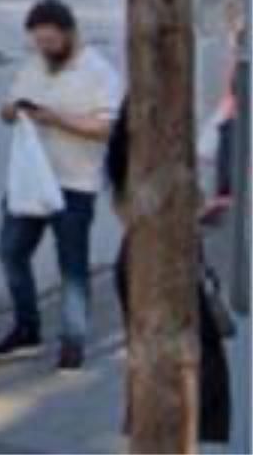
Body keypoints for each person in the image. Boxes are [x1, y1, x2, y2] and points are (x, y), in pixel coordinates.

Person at [0, 0, 121, 371]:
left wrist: (54, 118)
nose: (44, 49)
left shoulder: (100, 72)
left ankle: (73, 342)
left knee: (72, 266)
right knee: (11, 252)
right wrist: (12, 111)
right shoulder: (33, 66)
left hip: (75, 185)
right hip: (30, 182)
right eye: (38, 42)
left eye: (50, 42)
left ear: (70, 34)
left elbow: (105, 128)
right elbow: (5, 108)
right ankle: (26, 330)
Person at [106, 100, 233, 445]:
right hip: (163, 262)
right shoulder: (156, 160)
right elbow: (192, 206)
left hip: (142, 257)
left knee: (158, 362)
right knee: (188, 362)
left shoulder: (125, 160)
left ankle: (161, 436)